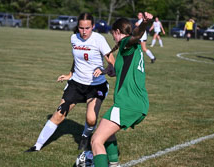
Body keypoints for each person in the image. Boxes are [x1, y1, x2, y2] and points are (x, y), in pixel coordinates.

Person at [25, 12, 115, 152]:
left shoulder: (99, 40)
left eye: (87, 28)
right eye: (81, 28)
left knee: (91, 119)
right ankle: (37, 146)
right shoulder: (74, 38)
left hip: (96, 86)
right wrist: (70, 74)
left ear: (93, 26)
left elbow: (112, 64)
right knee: (59, 114)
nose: (84, 32)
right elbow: (77, 59)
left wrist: (103, 71)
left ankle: (85, 137)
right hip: (76, 84)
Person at [91, 12, 152, 167]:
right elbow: (124, 70)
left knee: (96, 140)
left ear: (118, 32)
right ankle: (114, 164)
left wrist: (144, 23)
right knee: (107, 132)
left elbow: (136, 35)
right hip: (139, 103)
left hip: (127, 103)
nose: (114, 39)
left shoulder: (126, 43)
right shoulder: (133, 50)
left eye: (113, 36)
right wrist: (111, 71)